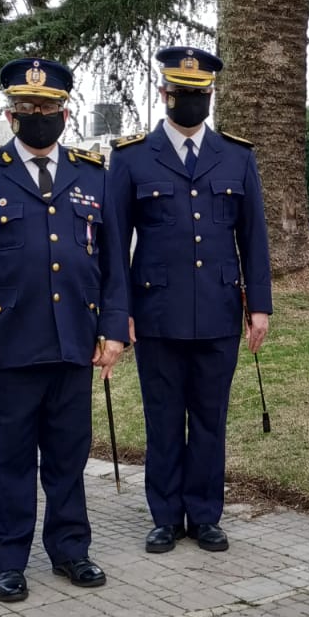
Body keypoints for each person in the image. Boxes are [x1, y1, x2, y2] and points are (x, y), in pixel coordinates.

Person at [0, 58, 128, 602]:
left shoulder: (93, 172)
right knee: (10, 457)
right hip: (8, 344)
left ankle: (71, 549)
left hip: (75, 339)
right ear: (10, 114)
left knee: (69, 455)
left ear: (65, 114)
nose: (38, 116)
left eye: (47, 108)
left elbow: (114, 262)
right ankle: (6, 558)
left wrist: (112, 329)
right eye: (27, 109)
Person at [106, 46, 271, 555]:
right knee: (162, 418)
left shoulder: (236, 156)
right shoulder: (131, 157)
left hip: (219, 312)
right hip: (155, 315)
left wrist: (259, 306)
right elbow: (114, 242)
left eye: (200, 95)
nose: (190, 102)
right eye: (181, 93)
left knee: (208, 418)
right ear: (164, 94)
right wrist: (119, 313)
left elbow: (254, 237)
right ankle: (164, 516)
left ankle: (204, 515)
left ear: (210, 96)